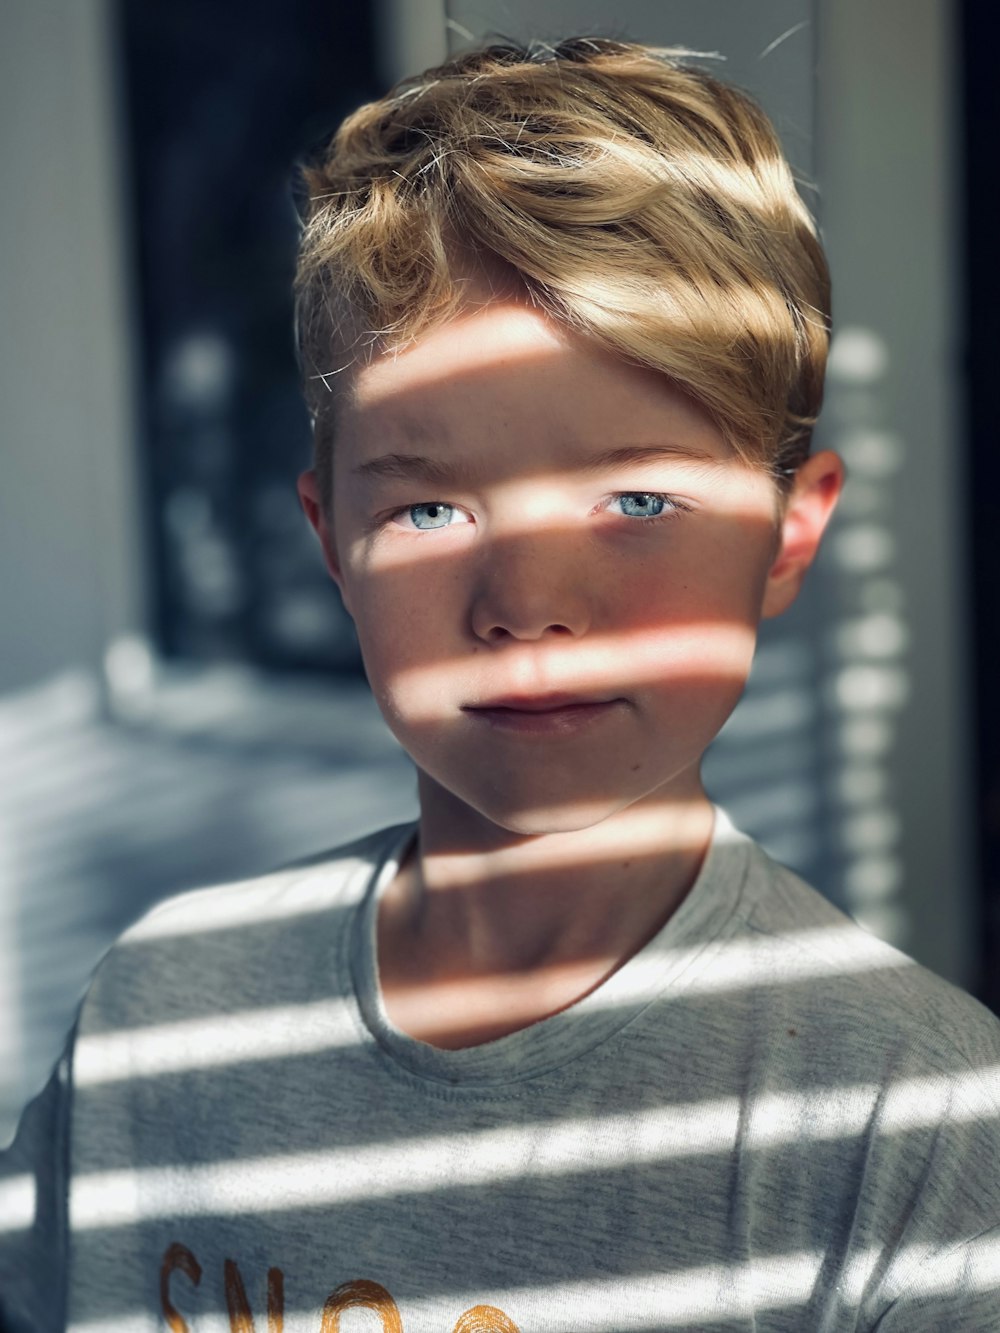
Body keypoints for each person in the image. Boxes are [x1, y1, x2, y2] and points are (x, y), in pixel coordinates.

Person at [2, 35, 998, 1333]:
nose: (529, 601)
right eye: (429, 507)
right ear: (331, 545)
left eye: (636, 497)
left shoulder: (915, 1125)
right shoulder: (161, 1015)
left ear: (790, 534)